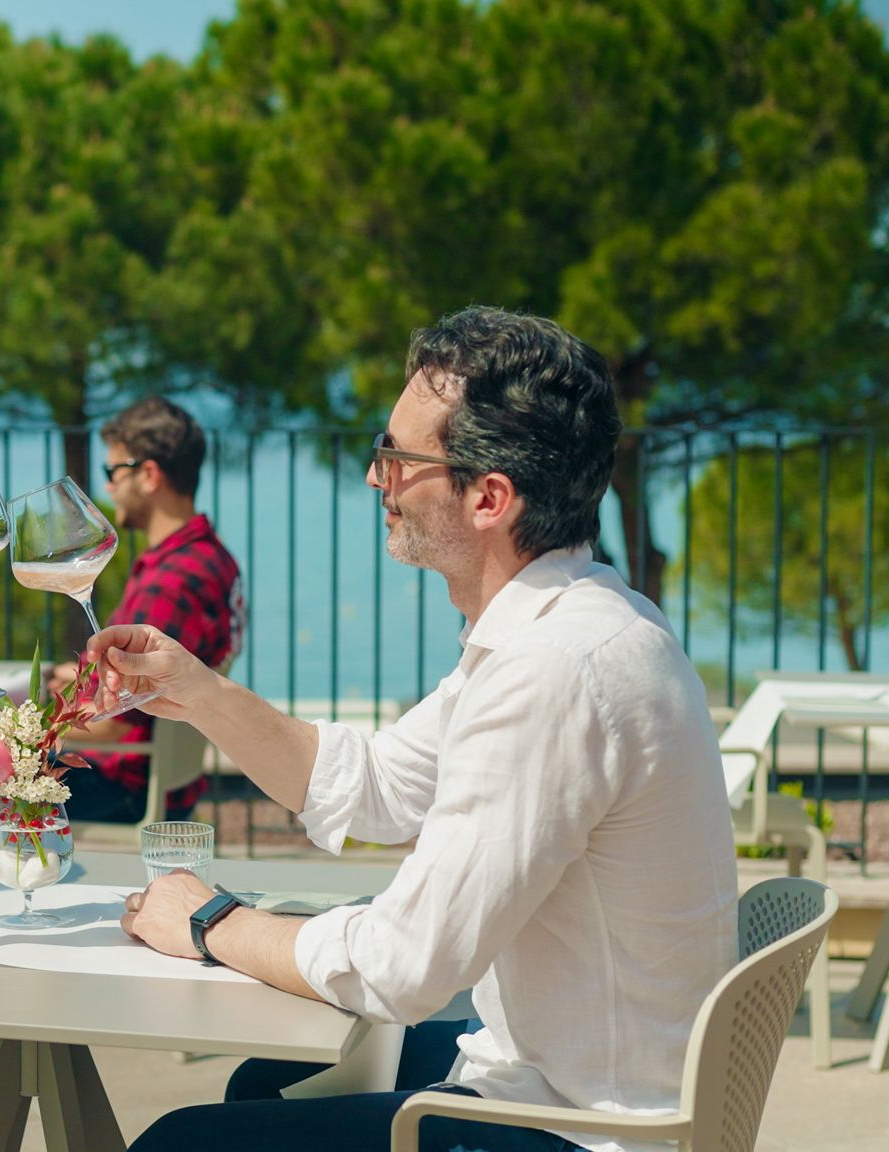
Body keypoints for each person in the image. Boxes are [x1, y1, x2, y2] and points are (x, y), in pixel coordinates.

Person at [92, 309, 738, 1152]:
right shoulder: (572, 622)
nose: (374, 478)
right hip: (572, 1075)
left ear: (488, 498)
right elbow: (374, 786)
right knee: (266, 1080)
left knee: (180, 1144)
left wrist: (212, 920)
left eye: (396, 456)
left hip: (583, 1128)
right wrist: (202, 692)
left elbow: (402, 968)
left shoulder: (555, 670)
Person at [0, 396, 241, 843]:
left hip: (123, 784)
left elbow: (118, 714)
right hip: (162, 778)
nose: (110, 488)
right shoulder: (209, 559)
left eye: (112, 472)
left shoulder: (174, 579)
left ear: (149, 474)